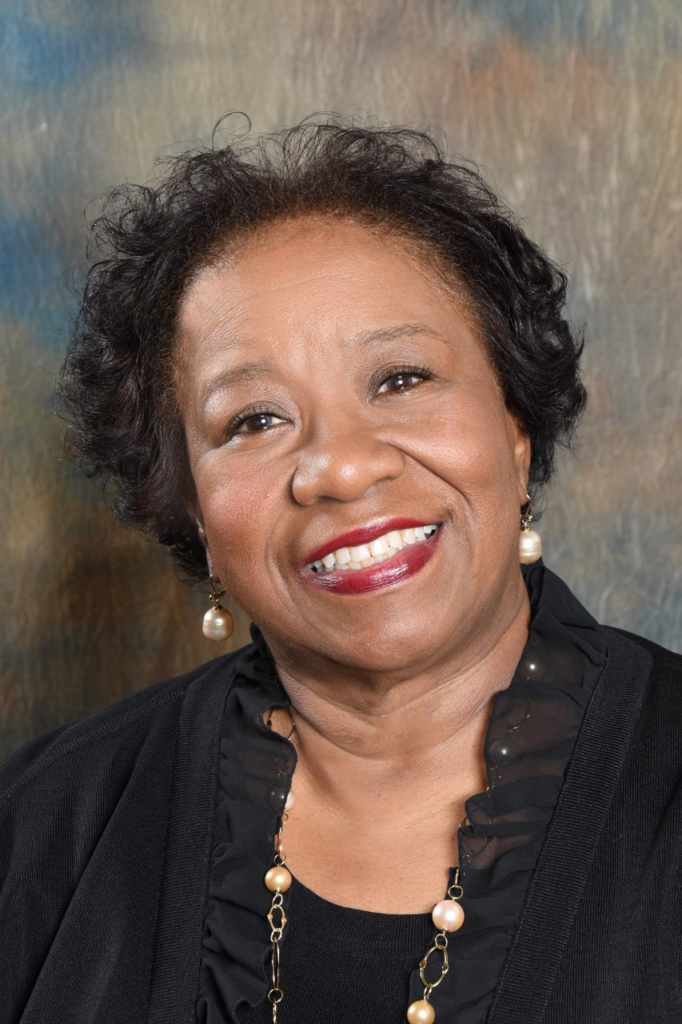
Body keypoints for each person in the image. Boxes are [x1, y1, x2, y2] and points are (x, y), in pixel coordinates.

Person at [0, 115, 680, 1024]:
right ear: (193, 510)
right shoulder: (40, 826)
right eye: (253, 421)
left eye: (400, 379)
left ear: (515, 431)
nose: (342, 468)